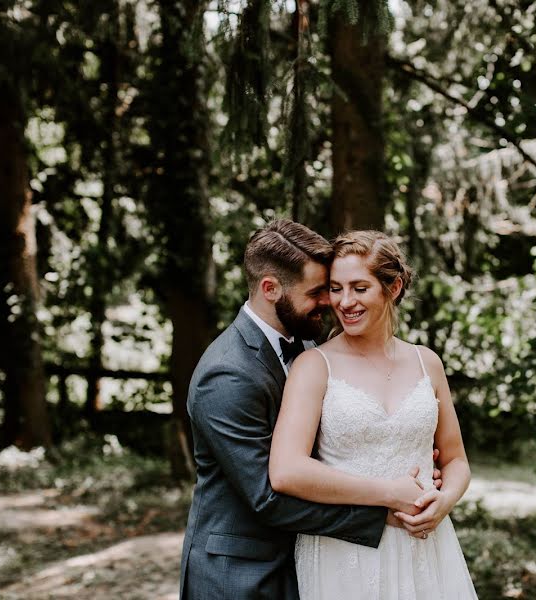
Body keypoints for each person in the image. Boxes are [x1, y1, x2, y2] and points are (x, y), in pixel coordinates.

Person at [179, 221, 431, 599]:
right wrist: (383, 511)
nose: (331, 302)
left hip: (307, 561)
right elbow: (267, 496)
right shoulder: (226, 374)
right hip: (240, 575)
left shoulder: (308, 343)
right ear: (270, 289)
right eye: (318, 292)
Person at [269, 230, 478, 599]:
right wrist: (388, 494)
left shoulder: (427, 363)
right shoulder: (314, 366)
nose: (345, 301)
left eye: (359, 288)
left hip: (426, 547)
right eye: (336, 288)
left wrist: (444, 502)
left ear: (393, 288)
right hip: (345, 552)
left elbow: (456, 458)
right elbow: (286, 471)